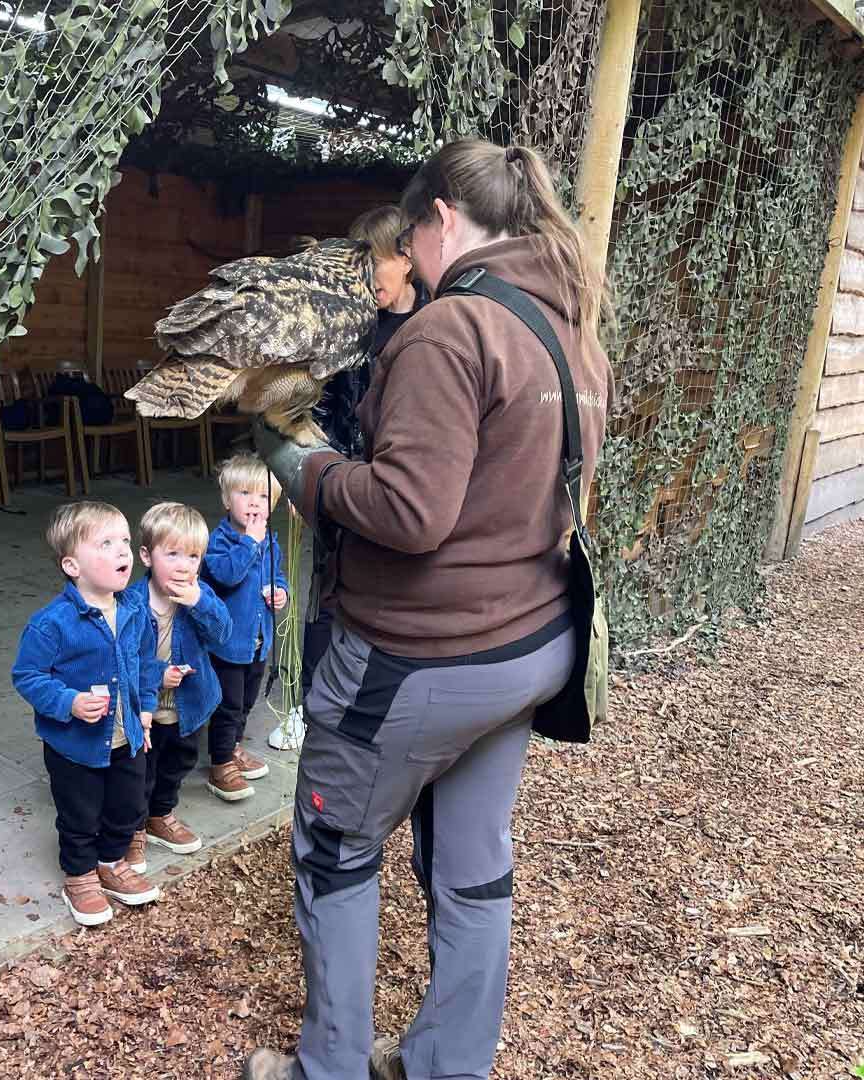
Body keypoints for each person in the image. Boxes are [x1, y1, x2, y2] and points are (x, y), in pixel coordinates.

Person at [244, 139, 616, 1080]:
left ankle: (328, 1068)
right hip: (529, 650)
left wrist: (301, 465)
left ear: (442, 218)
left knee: (334, 847)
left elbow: (412, 513)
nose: (405, 261)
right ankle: (452, 1065)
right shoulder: (567, 326)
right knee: (472, 863)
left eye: (410, 239)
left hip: (417, 664)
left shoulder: (451, 331)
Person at [300, 205, 430, 702]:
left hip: (395, 484)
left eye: (372, 262)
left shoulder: (435, 321)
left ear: (405, 258)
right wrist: (309, 470)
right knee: (326, 588)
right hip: (343, 481)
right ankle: (310, 699)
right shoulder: (351, 323)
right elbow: (324, 403)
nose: (365, 277)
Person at [12, 501, 162, 927]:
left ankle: (111, 862)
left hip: (127, 734)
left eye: (125, 542)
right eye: (107, 543)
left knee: (128, 805)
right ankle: (79, 876)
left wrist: (145, 713)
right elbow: (27, 675)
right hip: (74, 744)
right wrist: (68, 701)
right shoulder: (51, 624)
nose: (122, 552)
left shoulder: (134, 611)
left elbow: (145, 665)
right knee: (80, 813)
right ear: (72, 565)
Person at [123, 502, 232, 859]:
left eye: (193, 556)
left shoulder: (200, 595)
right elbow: (120, 659)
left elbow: (223, 635)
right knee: (139, 772)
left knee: (178, 763)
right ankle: (134, 826)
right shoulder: (130, 602)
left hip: (188, 705)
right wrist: (157, 675)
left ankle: (161, 814)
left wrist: (199, 601)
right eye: (172, 554)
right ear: (146, 556)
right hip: (144, 709)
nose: (184, 565)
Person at [201, 453, 289, 801]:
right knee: (229, 704)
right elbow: (226, 575)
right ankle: (220, 763)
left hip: (258, 639)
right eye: (244, 494)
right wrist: (249, 541)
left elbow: (276, 574)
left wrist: (281, 592)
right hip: (227, 642)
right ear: (226, 500)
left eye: (264, 496)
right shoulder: (218, 542)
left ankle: (234, 746)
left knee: (248, 699)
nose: (254, 502)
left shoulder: (270, 540)